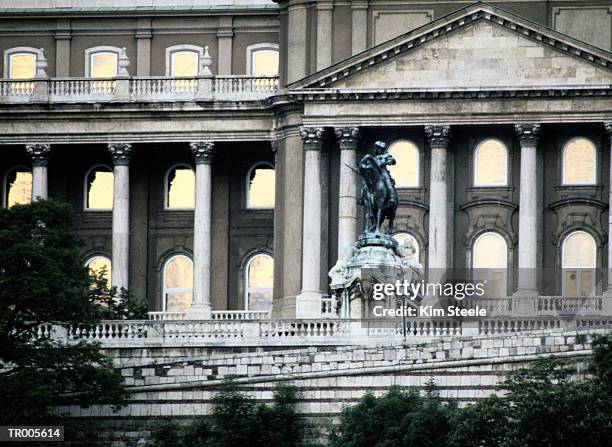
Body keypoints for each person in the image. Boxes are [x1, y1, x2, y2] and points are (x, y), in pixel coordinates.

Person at [373, 141, 397, 205]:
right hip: (375, 173)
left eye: (379, 148)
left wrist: (386, 162)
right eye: (377, 148)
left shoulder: (386, 155)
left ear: (382, 149)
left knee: (388, 183)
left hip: (383, 172)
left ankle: (392, 197)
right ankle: (363, 198)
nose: (378, 150)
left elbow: (393, 161)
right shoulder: (374, 158)